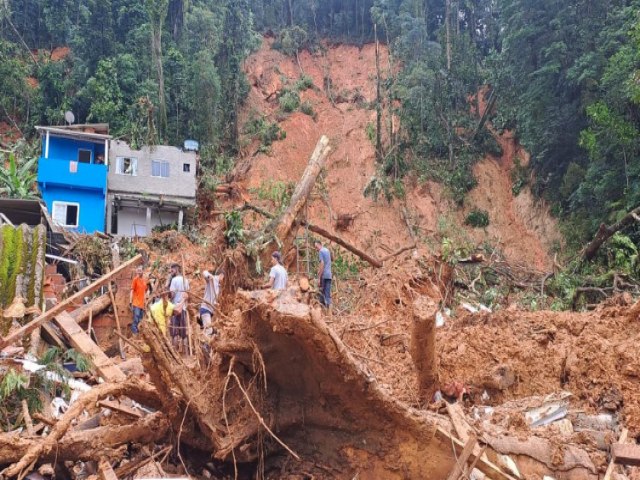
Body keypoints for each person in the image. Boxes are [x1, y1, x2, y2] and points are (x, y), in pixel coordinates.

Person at [167, 263, 189, 352]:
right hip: (183, 308)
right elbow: (187, 294)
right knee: (184, 332)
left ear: (176, 269)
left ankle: (175, 353)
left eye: (172, 270)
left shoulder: (174, 280)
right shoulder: (186, 280)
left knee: (174, 332)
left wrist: (168, 296)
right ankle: (187, 354)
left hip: (175, 308)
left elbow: (172, 294)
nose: (171, 272)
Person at [200, 269, 224, 336]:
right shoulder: (212, 279)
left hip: (210, 310)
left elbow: (213, 299)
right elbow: (204, 272)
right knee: (208, 331)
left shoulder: (218, 286)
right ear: (221, 275)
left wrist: (216, 303)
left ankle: (207, 344)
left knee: (210, 331)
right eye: (223, 278)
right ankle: (206, 345)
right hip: (205, 309)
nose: (223, 280)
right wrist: (208, 276)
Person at [129, 266, 147, 334]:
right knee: (136, 319)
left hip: (142, 304)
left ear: (143, 271)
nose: (139, 272)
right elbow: (132, 290)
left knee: (140, 320)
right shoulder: (135, 280)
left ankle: (139, 335)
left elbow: (144, 292)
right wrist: (130, 302)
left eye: (140, 270)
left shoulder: (144, 281)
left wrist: (145, 303)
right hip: (136, 303)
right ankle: (134, 334)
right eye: (138, 271)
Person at [315, 241, 332, 308]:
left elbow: (322, 264)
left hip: (324, 275)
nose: (316, 249)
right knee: (327, 293)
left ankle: (321, 311)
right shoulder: (327, 250)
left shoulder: (321, 251)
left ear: (320, 245)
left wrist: (319, 277)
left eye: (316, 247)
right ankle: (328, 312)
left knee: (321, 293)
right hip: (329, 275)